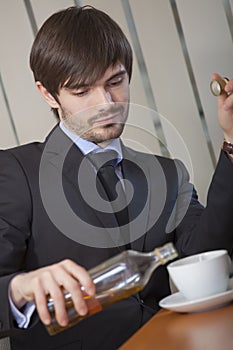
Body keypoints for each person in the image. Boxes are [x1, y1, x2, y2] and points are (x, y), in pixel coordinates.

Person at [0, 5, 232, 350]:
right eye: (82, 92)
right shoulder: (15, 172)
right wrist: (19, 287)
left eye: (115, 82)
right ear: (48, 94)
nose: (106, 103)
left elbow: (207, 253)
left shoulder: (167, 174)